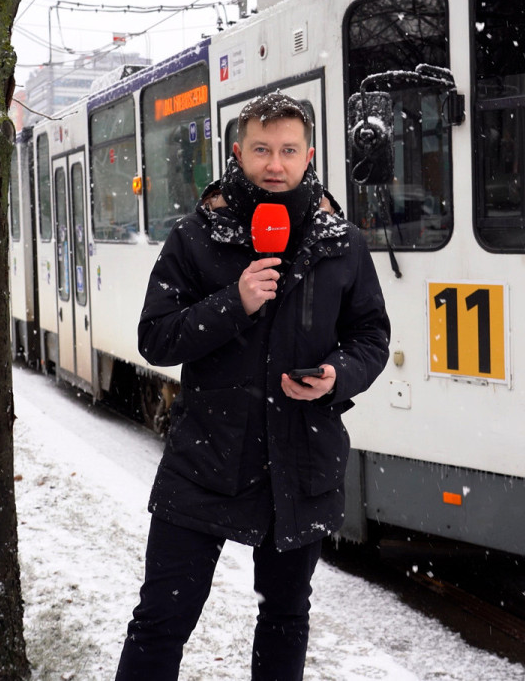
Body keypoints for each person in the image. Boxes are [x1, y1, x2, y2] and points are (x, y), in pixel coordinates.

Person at [116, 93, 391, 680]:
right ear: (238, 152)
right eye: (262, 149)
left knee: (285, 618)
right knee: (162, 619)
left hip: (302, 462)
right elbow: (156, 337)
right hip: (205, 462)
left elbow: (371, 335)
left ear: (308, 154)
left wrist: (338, 376)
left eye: (289, 150)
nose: (275, 164)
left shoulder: (341, 242)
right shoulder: (195, 238)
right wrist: (232, 304)